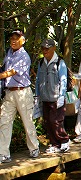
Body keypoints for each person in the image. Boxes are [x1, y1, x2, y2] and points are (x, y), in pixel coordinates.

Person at [0, 30, 39, 163]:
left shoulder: (24, 56)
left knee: (27, 122)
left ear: (22, 40)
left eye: (17, 38)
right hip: (9, 92)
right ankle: (3, 153)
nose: (13, 41)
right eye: (12, 38)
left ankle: (34, 148)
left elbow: (11, 72)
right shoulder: (9, 53)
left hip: (22, 92)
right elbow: (4, 67)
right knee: (4, 121)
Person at [35, 39, 70, 153]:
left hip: (56, 98)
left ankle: (64, 141)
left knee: (56, 121)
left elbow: (63, 80)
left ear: (53, 48)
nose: (45, 51)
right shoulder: (41, 63)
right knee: (47, 121)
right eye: (43, 49)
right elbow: (38, 80)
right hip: (45, 98)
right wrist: (37, 95)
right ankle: (54, 144)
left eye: (47, 48)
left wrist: (61, 95)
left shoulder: (60, 62)